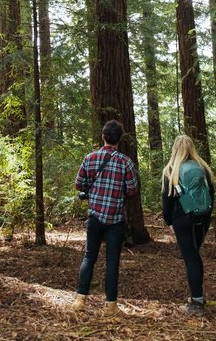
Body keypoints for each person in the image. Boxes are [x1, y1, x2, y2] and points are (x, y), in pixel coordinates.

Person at [70, 120, 138, 314]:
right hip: (116, 219)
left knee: (89, 257)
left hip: (95, 217)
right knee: (112, 261)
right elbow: (132, 190)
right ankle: (110, 306)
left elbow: (79, 184)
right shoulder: (125, 162)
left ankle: (80, 300)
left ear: (103, 137)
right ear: (120, 139)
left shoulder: (90, 158)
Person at [161, 135, 215, 317]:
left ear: (175, 149)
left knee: (190, 258)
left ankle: (197, 303)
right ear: (192, 148)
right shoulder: (204, 168)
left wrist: (169, 222)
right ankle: (198, 297)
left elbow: (166, 202)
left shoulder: (170, 171)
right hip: (202, 217)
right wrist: (206, 216)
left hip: (182, 220)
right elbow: (212, 195)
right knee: (195, 255)